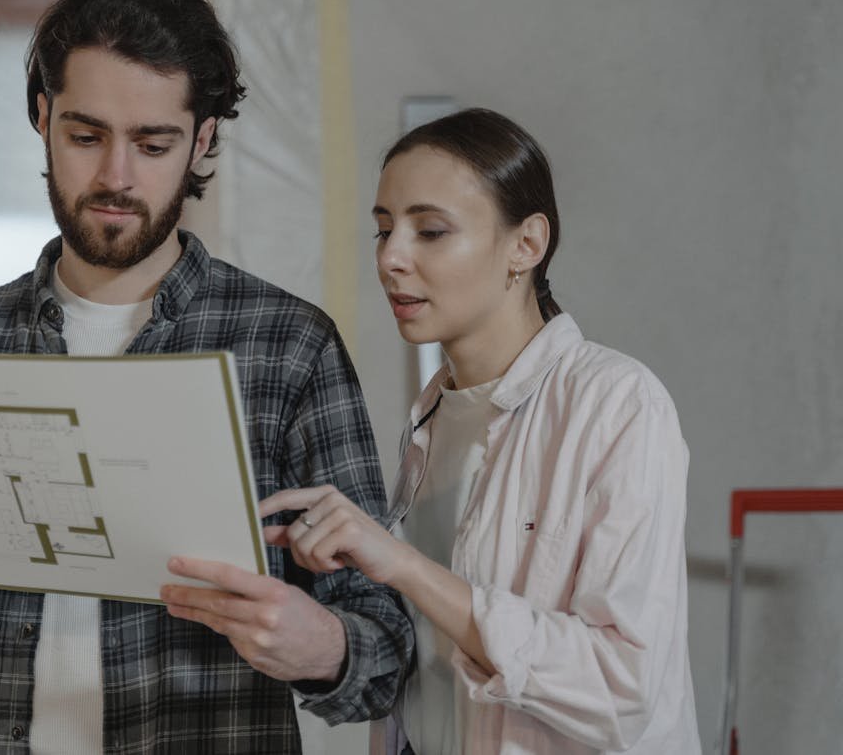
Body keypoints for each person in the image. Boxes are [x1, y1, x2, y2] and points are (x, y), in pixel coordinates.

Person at [0, 0, 413, 753]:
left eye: (153, 144)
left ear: (203, 139)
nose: (116, 176)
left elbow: (385, 653)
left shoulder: (290, 348)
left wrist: (320, 643)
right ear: (42, 118)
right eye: (86, 136)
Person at [262, 108, 701, 754]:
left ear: (526, 244)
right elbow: (430, 669)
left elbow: (623, 685)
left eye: (430, 231)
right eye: (383, 230)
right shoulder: (434, 413)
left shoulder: (618, 404)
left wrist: (405, 567)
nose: (391, 258)